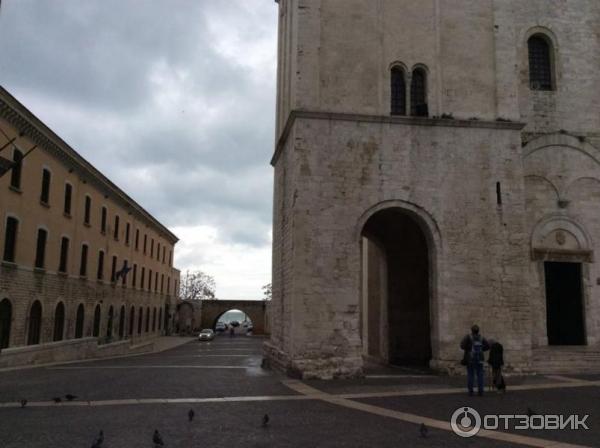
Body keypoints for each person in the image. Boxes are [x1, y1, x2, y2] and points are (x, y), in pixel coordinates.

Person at [460, 325, 490, 396]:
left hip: (470, 358)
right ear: (478, 330)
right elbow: (488, 346)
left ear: (472, 330)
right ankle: (481, 391)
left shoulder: (468, 337)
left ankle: (471, 391)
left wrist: (469, 349)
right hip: (480, 358)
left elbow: (462, 346)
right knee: (480, 375)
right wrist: (482, 349)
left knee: (470, 375)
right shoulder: (482, 338)